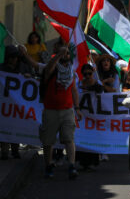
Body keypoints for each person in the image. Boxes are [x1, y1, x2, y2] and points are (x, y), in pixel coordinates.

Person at [39, 46, 83, 179]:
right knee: (48, 141)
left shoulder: (71, 72)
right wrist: (58, 55)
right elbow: (48, 69)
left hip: (67, 110)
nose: (66, 55)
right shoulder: (51, 70)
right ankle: (48, 166)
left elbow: (74, 90)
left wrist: (77, 108)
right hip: (51, 111)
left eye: (68, 54)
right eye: (64, 54)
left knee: (69, 139)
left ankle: (71, 166)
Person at [75, 64, 102, 171]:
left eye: (89, 73)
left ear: (93, 73)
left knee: (92, 137)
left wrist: (91, 88)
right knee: (82, 136)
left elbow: (101, 93)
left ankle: (91, 162)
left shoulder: (97, 83)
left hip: (93, 116)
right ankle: (83, 162)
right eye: (85, 74)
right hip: (82, 116)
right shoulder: (78, 84)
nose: (87, 76)